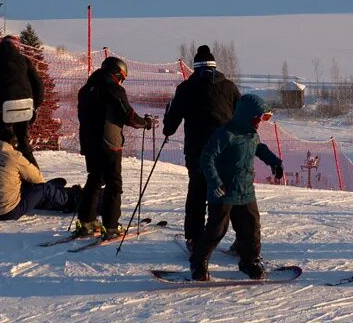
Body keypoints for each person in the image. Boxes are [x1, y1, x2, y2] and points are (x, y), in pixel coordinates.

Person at [193, 94, 284, 281]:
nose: (260, 123)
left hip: (245, 190)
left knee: (251, 228)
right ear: (247, 115)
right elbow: (206, 158)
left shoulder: (251, 134)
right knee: (217, 229)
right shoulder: (226, 134)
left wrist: (275, 163)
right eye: (259, 118)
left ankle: (249, 261)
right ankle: (198, 263)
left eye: (263, 119)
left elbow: (261, 149)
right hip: (223, 191)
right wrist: (215, 182)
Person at [162, 44, 241, 251]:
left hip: (197, 150)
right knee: (229, 193)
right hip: (226, 150)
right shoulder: (230, 87)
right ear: (215, 67)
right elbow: (242, 116)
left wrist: (167, 128)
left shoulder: (186, 88)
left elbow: (171, 123)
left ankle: (195, 238)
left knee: (197, 192)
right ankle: (243, 240)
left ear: (195, 68)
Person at [76, 56, 154, 239]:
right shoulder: (112, 88)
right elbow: (128, 115)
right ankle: (110, 226)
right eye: (122, 77)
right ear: (117, 73)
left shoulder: (85, 89)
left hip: (88, 141)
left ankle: (85, 221)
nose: (121, 81)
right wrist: (145, 123)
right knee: (113, 183)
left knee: (94, 179)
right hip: (108, 142)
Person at [0, 123, 78, 220]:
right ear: (13, 143)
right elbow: (38, 179)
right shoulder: (13, 157)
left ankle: (53, 192)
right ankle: (70, 200)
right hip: (7, 212)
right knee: (43, 189)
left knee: (22, 186)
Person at [0, 33, 45, 168]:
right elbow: (38, 85)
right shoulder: (24, 60)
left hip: (4, 108)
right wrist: (34, 106)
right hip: (26, 107)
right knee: (22, 141)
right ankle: (35, 177)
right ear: (17, 47)